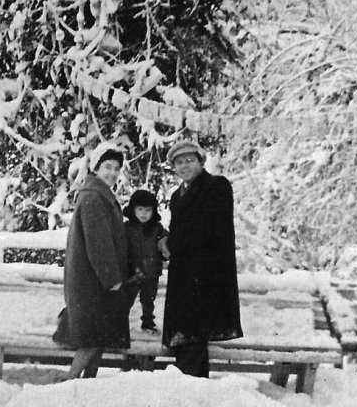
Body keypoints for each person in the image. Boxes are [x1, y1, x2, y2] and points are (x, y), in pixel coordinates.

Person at [162, 137, 243, 378]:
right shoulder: (177, 196)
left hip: (207, 277)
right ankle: (187, 393)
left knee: (195, 338)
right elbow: (179, 231)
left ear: (200, 162)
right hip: (183, 277)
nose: (185, 166)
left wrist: (173, 243)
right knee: (183, 340)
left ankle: (195, 394)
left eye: (190, 160)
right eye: (179, 163)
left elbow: (209, 229)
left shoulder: (216, 186)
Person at [53, 142, 130, 379]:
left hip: (92, 280)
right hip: (92, 282)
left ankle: (86, 386)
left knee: (98, 337)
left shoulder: (98, 194)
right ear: (95, 168)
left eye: (117, 168)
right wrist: (111, 278)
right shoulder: (94, 197)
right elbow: (99, 243)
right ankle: (69, 383)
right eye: (107, 166)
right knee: (92, 338)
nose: (113, 173)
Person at [123, 189, 169, 333]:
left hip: (151, 272)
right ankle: (121, 321)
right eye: (140, 209)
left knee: (148, 300)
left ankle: (148, 322)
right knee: (126, 299)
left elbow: (165, 243)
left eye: (148, 210)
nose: (144, 213)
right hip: (132, 272)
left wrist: (166, 249)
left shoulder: (157, 229)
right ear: (133, 210)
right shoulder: (126, 228)